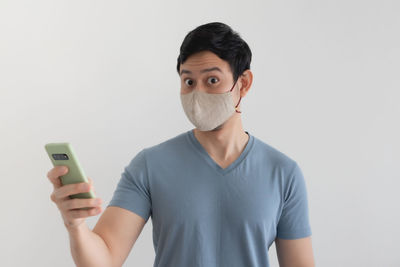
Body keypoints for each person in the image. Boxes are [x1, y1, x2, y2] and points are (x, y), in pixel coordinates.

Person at [46, 21, 315, 267]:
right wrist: (76, 225)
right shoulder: (150, 166)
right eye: (188, 81)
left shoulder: (283, 174)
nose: (198, 93)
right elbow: (103, 259)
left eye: (212, 80)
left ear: (243, 84)